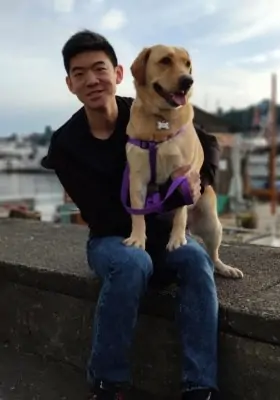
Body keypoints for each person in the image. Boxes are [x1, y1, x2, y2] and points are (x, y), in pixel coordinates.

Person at [41, 30, 220, 400]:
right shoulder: (66, 143)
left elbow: (207, 142)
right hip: (111, 238)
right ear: (70, 84)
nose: (92, 80)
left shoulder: (143, 109)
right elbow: (101, 216)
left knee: (197, 262)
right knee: (132, 263)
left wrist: (197, 180)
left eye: (99, 68)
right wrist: (157, 212)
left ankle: (200, 385)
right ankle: (108, 383)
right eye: (80, 73)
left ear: (120, 73)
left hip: (160, 230)